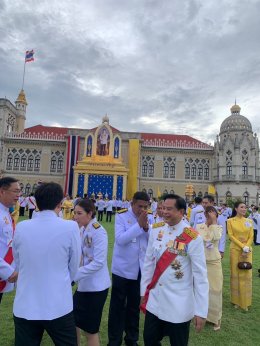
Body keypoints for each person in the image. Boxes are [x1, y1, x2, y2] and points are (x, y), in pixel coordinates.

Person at [12, 182, 81, 345]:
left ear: (36, 202)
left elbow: (18, 262)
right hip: (58, 303)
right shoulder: (71, 227)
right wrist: (63, 281)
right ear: (60, 203)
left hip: (26, 303)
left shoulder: (22, 227)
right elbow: (74, 266)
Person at [141, 194, 208, 346]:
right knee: (149, 339)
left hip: (178, 305)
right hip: (155, 300)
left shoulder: (192, 237)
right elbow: (148, 264)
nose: (164, 212)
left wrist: (201, 311)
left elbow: (200, 276)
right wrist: (143, 292)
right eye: (163, 208)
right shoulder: (156, 230)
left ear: (181, 212)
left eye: (169, 209)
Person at [108, 191, 150, 346]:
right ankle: (114, 340)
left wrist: (146, 229)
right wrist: (138, 225)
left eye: (146, 206)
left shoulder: (149, 217)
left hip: (139, 270)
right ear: (132, 203)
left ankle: (131, 339)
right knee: (117, 307)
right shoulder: (121, 216)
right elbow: (120, 240)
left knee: (134, 307)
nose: (143, 209)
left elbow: (152, 241)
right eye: (140, 206)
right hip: (122, 270)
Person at [73, 199, 111, 346]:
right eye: (75, 212)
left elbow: (98, 262)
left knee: (90, 330)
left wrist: (74, 275)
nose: (75, 216)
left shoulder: (98, 231)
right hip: (84, 286)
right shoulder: (82, 229)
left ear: (90, 213)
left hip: (96, 288)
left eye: (79, 213)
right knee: (72, 321)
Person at [196, 206, 223, 331]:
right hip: (201, 261)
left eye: (213, 214)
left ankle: (216, 318)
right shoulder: (199, 226)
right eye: (208, 214)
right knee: (201, 290)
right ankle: (202, 316)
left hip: (214, 261)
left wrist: (214, 222)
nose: (210, 216)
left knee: (216, 289)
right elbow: (205, 238)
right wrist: (209, 225)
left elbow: (216, 237)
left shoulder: (218, 227)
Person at [227, 201, 254, 311]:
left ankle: (246, 302)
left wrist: (246, 247)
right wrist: (242, 246)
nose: (244, 209)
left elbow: (251, 236)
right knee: (235, 274)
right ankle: (236, 301)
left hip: (247, 251)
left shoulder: (249, 221)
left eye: (245, 207)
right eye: (242, 207)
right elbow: (231, 235)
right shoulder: (230, 221)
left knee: (246, 274)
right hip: (235, 250)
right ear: (236, 209)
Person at [0, 177, 20, 304]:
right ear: (2, 191)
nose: (19, 195)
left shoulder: (6, 213)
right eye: (15, 191)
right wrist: (6, 271)